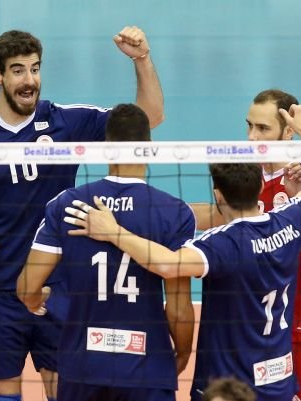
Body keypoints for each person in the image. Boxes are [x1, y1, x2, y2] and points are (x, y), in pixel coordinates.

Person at [0, 26, 165, 401]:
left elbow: (149, 118)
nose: (30, 80)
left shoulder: (66, 122)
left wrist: (142, 59)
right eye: (18, 70)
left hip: (59, 290)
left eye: (35, 68)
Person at [64, 104, 301, 400]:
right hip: (278, 384)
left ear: (218, 195)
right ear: (258, 187)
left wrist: (113, 231)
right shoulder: (290, 223)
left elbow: (166, 264)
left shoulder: (221, 245)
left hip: (226, 388)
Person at [16, 104, 195, 401]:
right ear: (149, 147)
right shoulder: (174, 213)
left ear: (106, 147)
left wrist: (36, 301)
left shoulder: (68, 205)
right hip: (147, 368)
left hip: (82, 366)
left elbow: (26, 288)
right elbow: (178, 308)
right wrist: (183, 352)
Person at [192, 89, 301, 401]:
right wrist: (155, 211)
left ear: (288, 132)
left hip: (298, 324)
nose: (252, 137)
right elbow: (218, 215)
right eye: (249, 126)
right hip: (246, 329)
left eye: (262, 128)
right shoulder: (247, 176)